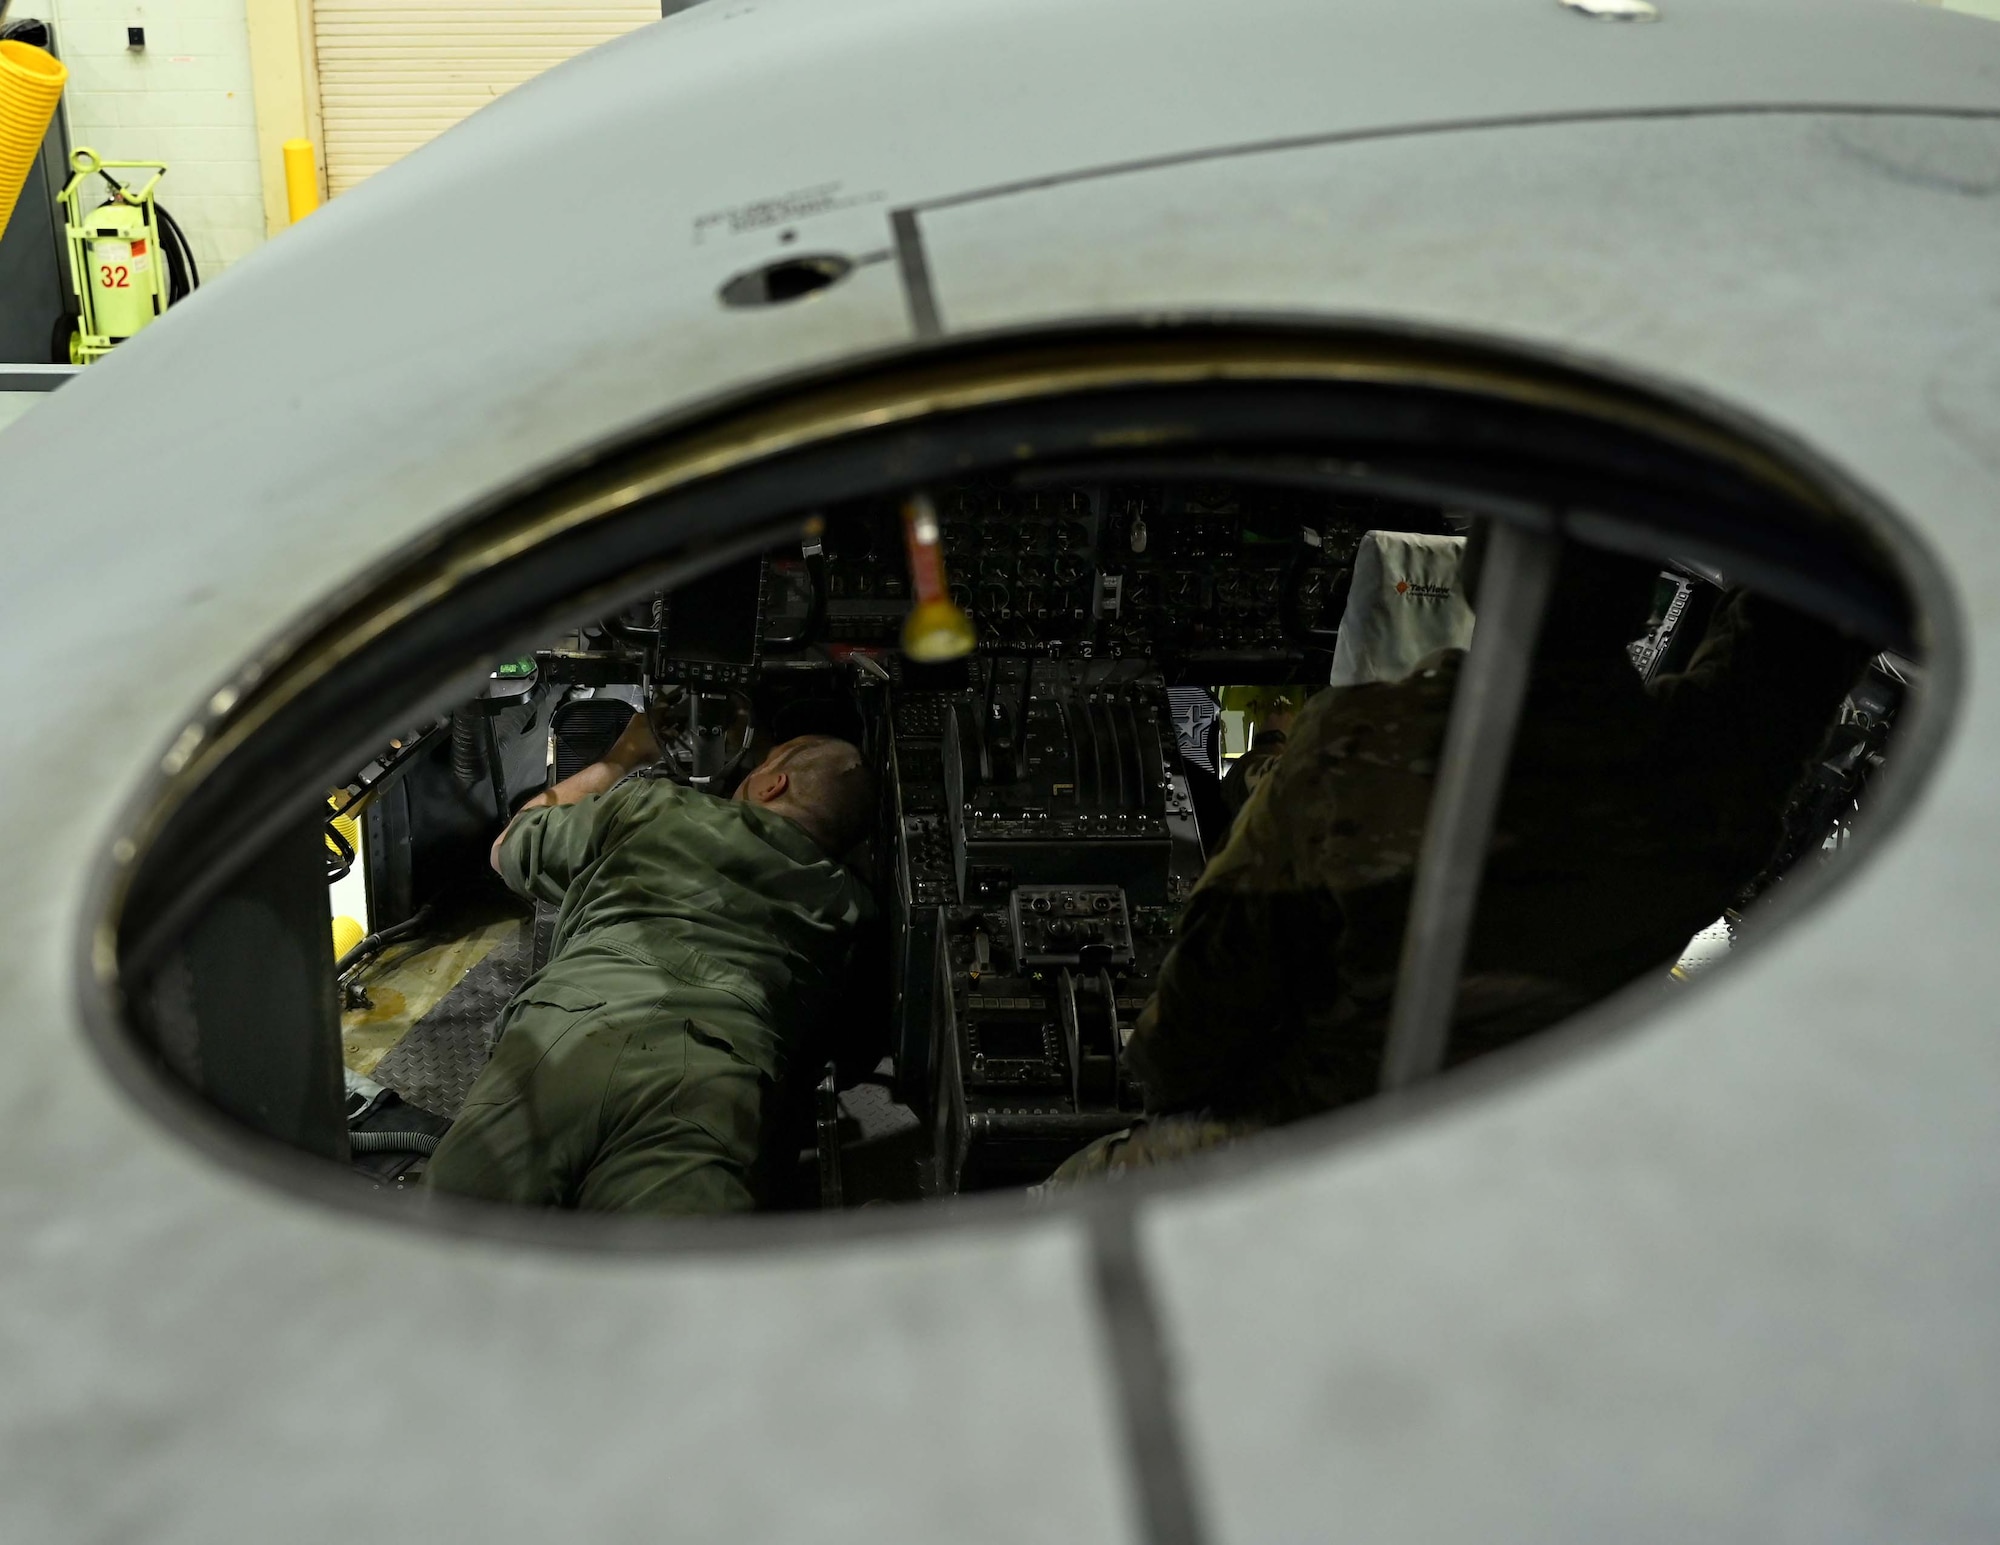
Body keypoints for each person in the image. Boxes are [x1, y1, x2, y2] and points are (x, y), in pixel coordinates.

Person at [1052, 541, 1873, 1182]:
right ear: (1636, 597)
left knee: (1077, 1190)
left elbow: (1186, 1039)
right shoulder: (1708, 775)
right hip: (1552, 1160)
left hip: (1335, 1149)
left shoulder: (1358, 748)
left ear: (1485, 566)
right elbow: (1796, 653)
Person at [425, 714, 875, 1215]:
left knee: (450, 1248)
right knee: (666, 1280)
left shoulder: (661, 807)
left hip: (570, 1029)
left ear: (774, 784)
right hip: (716, 1075)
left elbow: (508, 847)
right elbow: (849, 1056)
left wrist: (622, 758)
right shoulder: (851, 909)